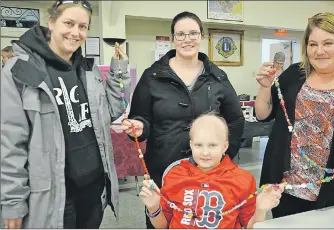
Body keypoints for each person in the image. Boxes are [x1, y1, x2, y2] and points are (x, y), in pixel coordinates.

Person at [1, 0, 130, 228]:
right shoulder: (20, 70)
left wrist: (119, 71)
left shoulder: (88, 69)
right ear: (51, 22)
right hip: (56, 194)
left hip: (93, 190)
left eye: (82, 26)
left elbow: (112, 110)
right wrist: (12, 202)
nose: (75, 32)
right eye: (68, 23)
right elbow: (11, 144)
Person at [120, 11, 244, 228]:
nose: (187, 39)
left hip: (208, 170)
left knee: (204, 221)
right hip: (163, 167)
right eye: (181, 34)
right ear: (173, 38)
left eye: (193, 33)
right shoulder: (152, 76)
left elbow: (235, 120)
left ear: (202, 36)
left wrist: (225, 155)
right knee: (162, 219)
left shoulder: (217, 77)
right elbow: (141, 117)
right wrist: (139, 126)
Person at [254, 12, 334, 218]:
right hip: (286, 188)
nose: (319, 51)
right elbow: (263, 115)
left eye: (328, 43)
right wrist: (264, 87)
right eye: (313, 44)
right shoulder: (294, 73)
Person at [139, 113, 284, 229]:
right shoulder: (175, 175)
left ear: (225, 146)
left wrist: (260, 210)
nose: (205, 152)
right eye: (198, 145)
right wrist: (153, 207)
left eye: (212, 145)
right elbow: (162, 225)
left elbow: (250, 227)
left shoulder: (243, 180)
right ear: (191, 145)